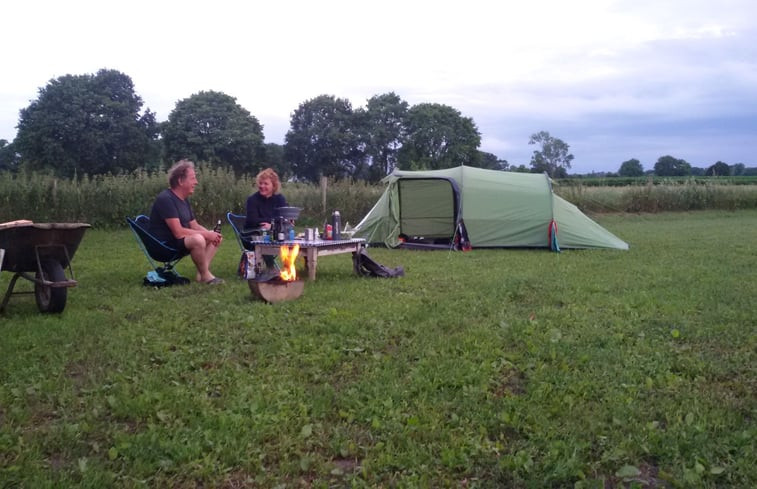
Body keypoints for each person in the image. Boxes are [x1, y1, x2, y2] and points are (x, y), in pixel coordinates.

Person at [148, 159, 224, 284]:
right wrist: (207, 235)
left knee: (215, 238)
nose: (196, 182)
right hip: (164, 246)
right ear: (180, 181)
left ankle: (202, 273)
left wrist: (212, 234)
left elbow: (194, 225)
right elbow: (178, 232)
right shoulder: (166, 199)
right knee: (198, 239)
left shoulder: (183, 200)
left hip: (177, 241)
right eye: (193, 178)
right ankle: (206, 276)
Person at [245, 168, 287, 270]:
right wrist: (274, 222)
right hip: (252, 234)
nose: (262, 186)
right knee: (265, 238)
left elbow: (284, 217)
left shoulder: (280, 199)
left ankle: (291, 268)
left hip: (275, 232)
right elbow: (252, 220)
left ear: (274, 186)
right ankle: (271, 268)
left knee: (289, 236)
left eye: (266, 184)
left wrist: (271, 225)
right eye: (260, 183)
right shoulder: (252, 200)